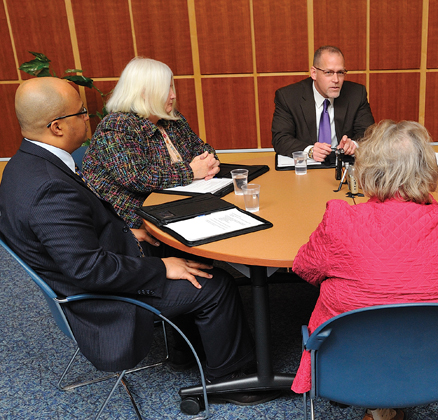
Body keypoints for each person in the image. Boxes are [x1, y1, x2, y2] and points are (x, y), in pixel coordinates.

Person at [0, 77, 277, 405]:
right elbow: (89, 271)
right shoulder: (48, 188)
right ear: (57, 127)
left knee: (180, 248)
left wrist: (126, 232)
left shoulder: (23, 166)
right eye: (82, 113)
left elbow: (74, 238)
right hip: (99, 297)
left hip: (106, 258)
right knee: (215, 284)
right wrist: (161, 268)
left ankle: (188, 350)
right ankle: (233, 378)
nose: (89, 118)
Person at [291, 120, 438, 420]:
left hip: (350, 360)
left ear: (367, 169)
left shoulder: (340, 219)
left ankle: (378, 406)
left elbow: (304, 268)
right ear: (429, 169)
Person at [82, 57, 220, 231]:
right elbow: (137, 178)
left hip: (177, 203)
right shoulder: (117, 126)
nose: (173, 95)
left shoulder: (170, 119)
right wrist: (191, 171)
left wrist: (209, 162)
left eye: (172, 86)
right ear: (143, 92)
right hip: (134, 221)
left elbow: (201, 148)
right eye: (166, 88)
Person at [272, 45, 374, 162]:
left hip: (342, 165)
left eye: (340, 72)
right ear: (314, 73)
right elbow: (280, 138)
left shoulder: (356, 94)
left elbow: (368, 133)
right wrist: (310, 151)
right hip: (306, 167)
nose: (336, 80)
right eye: (328, 72)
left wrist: (354, 144)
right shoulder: (288, 97)